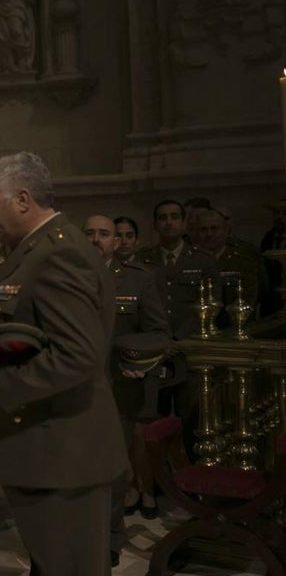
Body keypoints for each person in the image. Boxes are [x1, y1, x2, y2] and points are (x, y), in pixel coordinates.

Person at [0, 152, 126, 576]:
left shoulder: (58, 253)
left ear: (23, 199)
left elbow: (78, 355)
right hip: (46, 447)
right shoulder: (34, 250)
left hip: (63, 452)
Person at [84, 214, 170, 554]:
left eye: (103, 234)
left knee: (112, 470)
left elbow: (159, 333)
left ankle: (110, 538)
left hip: (118, 388)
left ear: (116, 242)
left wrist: (138, 361)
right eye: (88, 233)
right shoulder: (63, 280)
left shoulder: (138, 281)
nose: (96, 239)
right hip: (73, 392)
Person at [134, 200, 216, 460]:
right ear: (155, 224)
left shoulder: (203, 261)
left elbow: (212, 305)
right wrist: (159, 340)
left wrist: (179, 339)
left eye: (173, 217)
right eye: (162, 218)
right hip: (154, 351)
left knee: (191, 416)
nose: (168, 222)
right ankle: (157, 480)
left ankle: (192, 478)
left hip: (188, 351)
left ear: (183, 223)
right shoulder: (143, 260)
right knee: (153, 418)